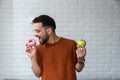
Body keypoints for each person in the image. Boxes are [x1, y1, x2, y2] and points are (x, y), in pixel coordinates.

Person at [25, 15, 86, 80]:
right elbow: (38, 74)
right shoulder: (38, 49)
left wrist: (81, 59)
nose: (35, 34)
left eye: (38, 31)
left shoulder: (71, 44)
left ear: (49, 31)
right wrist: (32, 57)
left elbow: (78, 69)